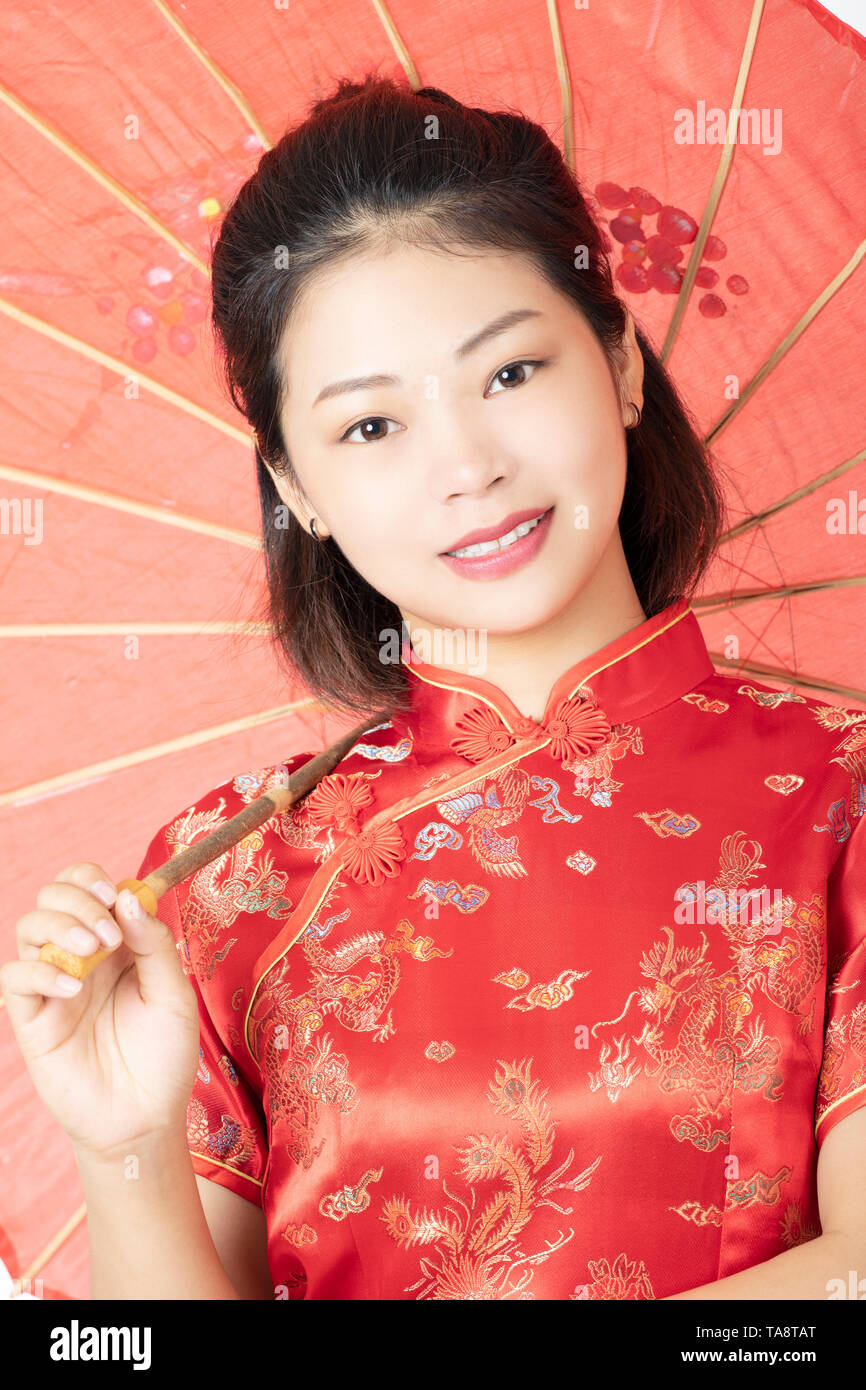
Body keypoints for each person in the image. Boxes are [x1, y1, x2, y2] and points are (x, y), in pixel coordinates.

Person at [4, 75, 865, 1302]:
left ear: (618, 365)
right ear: (294, 487)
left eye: (509, 373)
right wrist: (124, 1148)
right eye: (368, 428)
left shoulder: (840, 794)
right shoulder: (223, 884)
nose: (466, 464)